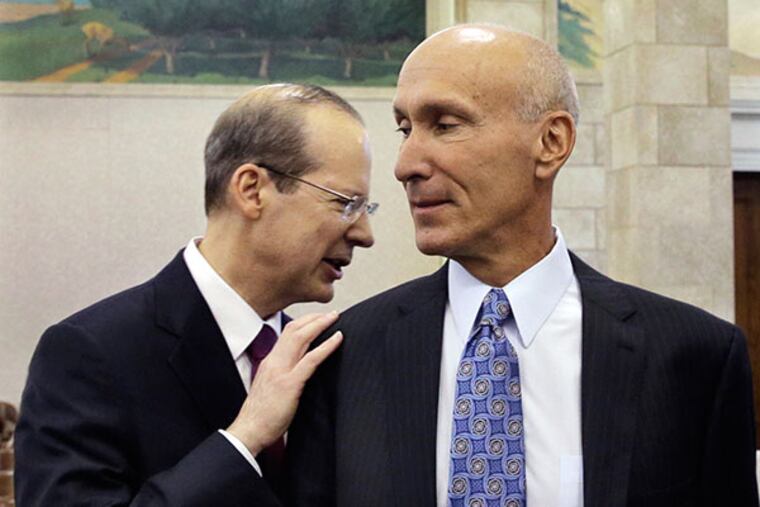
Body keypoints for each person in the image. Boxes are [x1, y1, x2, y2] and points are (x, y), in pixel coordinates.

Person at [286, 25, 759, 507]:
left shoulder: (694, 357)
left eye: (445, 125)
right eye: (405, 129)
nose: (406, 163)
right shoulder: (343, 358)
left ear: (551, 141)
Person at [14, 83, 377, 506]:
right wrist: (244, 438)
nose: (365, 235)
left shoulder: (323, 360)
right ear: (252, 189)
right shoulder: (89, 354)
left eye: (365, 209)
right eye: (345, 203)